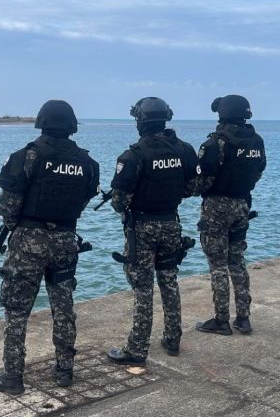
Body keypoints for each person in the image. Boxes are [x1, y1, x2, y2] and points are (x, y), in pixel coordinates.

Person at [0, 100, 99, 393]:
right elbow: (83, 200)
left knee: (16, 310)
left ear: (41, 122)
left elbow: (8, 207)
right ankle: (65, 370)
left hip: (28, 241)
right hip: (65, 239)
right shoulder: (87, 163)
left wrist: (22, 227)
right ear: (72, 125)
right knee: (63, 306)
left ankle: (13, 377)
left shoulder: (26, 157)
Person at [106, 97, 199, 364]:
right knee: (169, 280)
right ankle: (173, 338)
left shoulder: (133, 155)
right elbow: (193, 188)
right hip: (171, 222)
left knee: (143, 287)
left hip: (142, 227)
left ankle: (137, 350)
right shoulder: (184, 150)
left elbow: (119, 202)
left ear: (141, 121)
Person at [193, 95, 266, 335]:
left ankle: (221, 320)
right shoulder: (256, 141)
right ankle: (243, 318)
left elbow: (202, 182)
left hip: (217, 207)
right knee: (237, 261)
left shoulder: (216, 143)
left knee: (217, 265)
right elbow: (258, 171)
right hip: (242, 204)